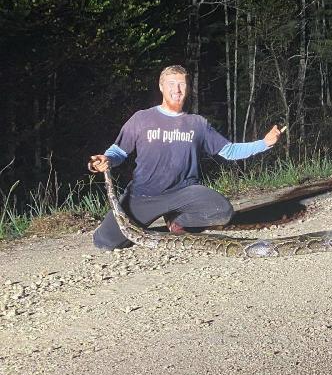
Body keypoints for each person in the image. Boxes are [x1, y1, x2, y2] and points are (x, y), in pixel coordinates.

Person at [88, 65, 284, 250]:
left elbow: (229, 151)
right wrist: (105, 160)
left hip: (185, 193)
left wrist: (264, 143)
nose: (177, 89)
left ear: (188, 87)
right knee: (105, 242)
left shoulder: (197, 124)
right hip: (144, 195)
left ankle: (177, 220)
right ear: (161, 87)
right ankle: (144, 222)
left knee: (222, 210)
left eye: (182, 84)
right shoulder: (141, 119)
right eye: (171, 84)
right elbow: (118, 152)